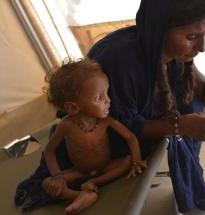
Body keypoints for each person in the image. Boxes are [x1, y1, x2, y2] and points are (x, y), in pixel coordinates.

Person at [87, 0, 205, 213]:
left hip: (149, 129)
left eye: (204, 34)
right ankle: (184, 183)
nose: (202, 47)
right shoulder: (119, 60)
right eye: (192, 37)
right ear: (161, 29)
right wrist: (180, 126)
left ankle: (193, 180)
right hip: (115, 144)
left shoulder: (173, 52)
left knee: (189, 101)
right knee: (186, 117)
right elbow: (121, 125)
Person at [15, 59, 147, 214]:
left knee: (126, 161)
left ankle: (92, 184)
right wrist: (58, 177)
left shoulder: (106, 121)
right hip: (78, 170)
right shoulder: (67, 125)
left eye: (107, 93)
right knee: (47, 182)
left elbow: (130, 137)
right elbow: (50, 152)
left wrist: (137, 161)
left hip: (106, 166)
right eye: (99, 98)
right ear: (73, 107)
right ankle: (81, 195)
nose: (108, 100)